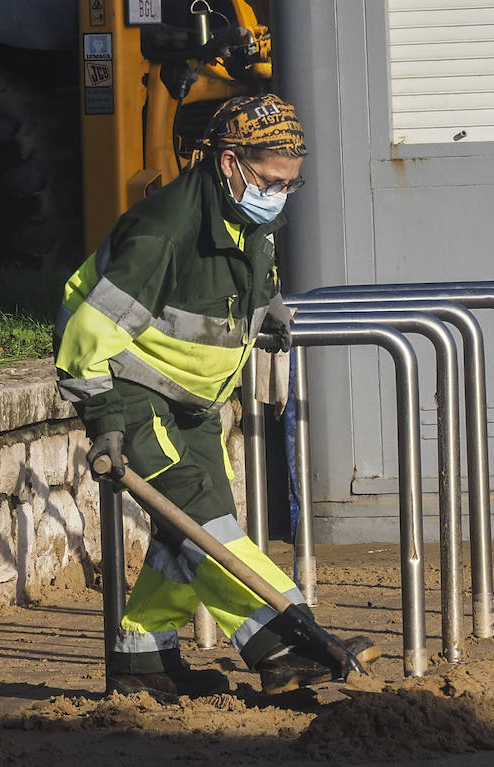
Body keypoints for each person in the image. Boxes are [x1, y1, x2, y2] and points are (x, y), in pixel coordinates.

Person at [53, 93, 374, 701]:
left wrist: (267, 312)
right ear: (230, 163)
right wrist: (104, 420)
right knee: (206, 522)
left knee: (193, 528)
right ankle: (283, 639)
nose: (279, 194)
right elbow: (87, 334)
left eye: (290, 185)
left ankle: (142, 660)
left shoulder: (248, 216)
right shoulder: (165, 230)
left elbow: (247, 278)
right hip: (132, 390)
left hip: (192, 399)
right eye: (271, 182)